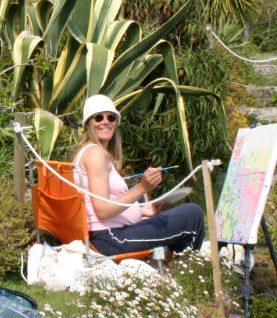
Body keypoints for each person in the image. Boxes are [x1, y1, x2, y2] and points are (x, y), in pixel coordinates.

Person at [72, 94, 205, 258]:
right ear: (88, 124)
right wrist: (143, 187)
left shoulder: (88, 151)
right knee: (193, 215)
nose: (105, 122)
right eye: (98, 117)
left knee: (138, 194)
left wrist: (141, 211)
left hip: (106, 234)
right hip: (109, 239)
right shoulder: (95, 154)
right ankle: (184, 272)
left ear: (116, 122)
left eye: (111, 117)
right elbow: (102, 211)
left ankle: (168, 262)